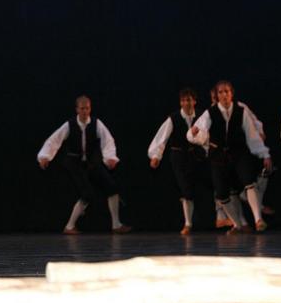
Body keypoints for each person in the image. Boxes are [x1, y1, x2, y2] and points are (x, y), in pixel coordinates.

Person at [38, 95, 131, 235]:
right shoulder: (69, 125)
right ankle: (69, 226)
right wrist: (45, 156)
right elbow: (54, 140)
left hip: (91, 163)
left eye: (87, 108)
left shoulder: (96, 123)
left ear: (90, 108)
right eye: (82, 109)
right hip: (74, 163)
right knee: (87, 194)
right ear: (77, 109)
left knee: (112, 187)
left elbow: (108, 140)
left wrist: (110, 157)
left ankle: (116, 225)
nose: (85, 111)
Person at [188, 81, 271, 234]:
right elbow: (198, 131)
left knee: (249, 181)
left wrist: (264, 154)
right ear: (217, 95)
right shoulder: (210, 112)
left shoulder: (241, 110)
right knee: (222, 193)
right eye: (220, 92)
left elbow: (252, 135)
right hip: (218, 155)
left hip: (238, 152)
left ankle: (258, 219)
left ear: (232, 93)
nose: (224, 95)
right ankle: (237, 224)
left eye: (226, 91)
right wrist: (195, 134)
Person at [149, 88, 202, 234]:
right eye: (183, 100)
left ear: (194, 101)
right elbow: (162, 138)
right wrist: (156, 156)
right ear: (180, 103)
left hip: (195, 155)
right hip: (178, 157)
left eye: (189, 100)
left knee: (201, 186)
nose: (186, 103)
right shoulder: (174, 118)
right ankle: (188, 223)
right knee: (185, 188)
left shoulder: (201, 116)